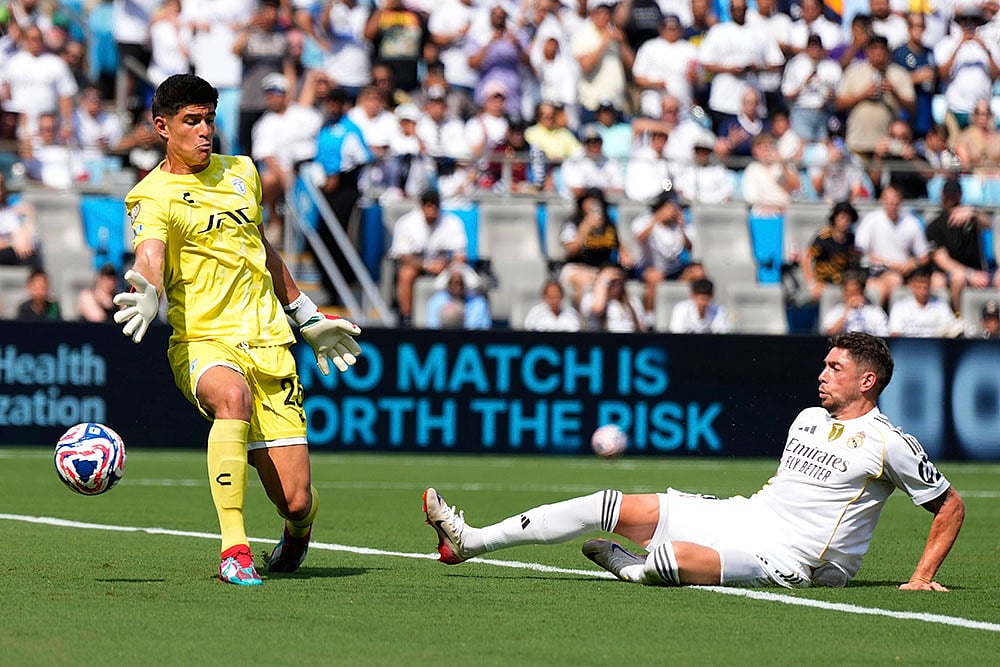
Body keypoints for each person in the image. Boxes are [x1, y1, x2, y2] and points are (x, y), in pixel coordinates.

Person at [423, 332, 966, 591]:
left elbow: (950, 507)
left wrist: (922, 576)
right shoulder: (807, 417)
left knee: (670, 560)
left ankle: (633, 569)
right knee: (609, 504)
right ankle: (470, 541)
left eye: (835, 367)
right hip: (747, 516)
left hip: (798, 561)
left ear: (867, 380)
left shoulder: (889, 441)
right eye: (824, 364)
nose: (821, 374)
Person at [111, 74, 363, 587]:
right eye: (191, 121)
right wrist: (149, 291)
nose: (205, 131)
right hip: (203, 341)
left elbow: (262, 250)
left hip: (269, 342)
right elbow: (151, 253)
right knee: (232, 398)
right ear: (162, 126)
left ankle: (298, 530)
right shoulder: (151, 195)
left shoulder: (243, 172)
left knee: (295, 499)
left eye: (209, 119)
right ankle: (235, 550)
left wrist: (308, 316)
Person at [387, 188, 469, 326]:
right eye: (428, 206)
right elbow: (403, 255)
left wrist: (447, 265)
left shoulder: (452, 222)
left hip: (445, 266)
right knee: (406, 273)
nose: (432, 210)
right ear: (422, 206)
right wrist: (427, 265)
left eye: (435, 206)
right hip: (417, 265)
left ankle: (460, 319)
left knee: (458, 273)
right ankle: (406, 318)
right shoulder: (407, 222)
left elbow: (460, 255)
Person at [925, 178, 1000, 313]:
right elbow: (942, 259)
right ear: (942, 195)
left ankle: (994, 321)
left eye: (955, 194)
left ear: (960, 195)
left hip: (979, 269)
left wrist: (974, 214)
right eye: (948, 194)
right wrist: (970, 274)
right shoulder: (935, 225)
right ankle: (958, 318)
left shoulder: (971, 217)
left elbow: (989, 224)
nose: (951, 198)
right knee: (958, 277)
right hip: (953, 272)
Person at [630, 188, 702, 312]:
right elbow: (639, 238)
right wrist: (657, 219)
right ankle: (650, 316)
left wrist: (682, 227)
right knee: (656, 277)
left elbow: (689, 247)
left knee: (698, 272)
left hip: (674, 269)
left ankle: (685, 310)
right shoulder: (644, 220)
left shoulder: (684, 226)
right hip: (648, 268)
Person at [801, 201, 862, 302]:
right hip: (823, 283)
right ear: (835, 218)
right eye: (842, 217)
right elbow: (805, 258)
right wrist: (811, 284)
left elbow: (855, 262)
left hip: (844, 284)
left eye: (848, 218)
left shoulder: (852, 240)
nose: (845, 221)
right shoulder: (824, 237)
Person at [887, 267, 962, 338]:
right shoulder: (900, 307)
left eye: (925, 287)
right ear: (911, 285)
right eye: (919, 287)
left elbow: (951, 329)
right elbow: (895, 333)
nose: (923, 292)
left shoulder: (941, 305)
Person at [579, 263, 648, 332]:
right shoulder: (590, 299)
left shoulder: (633, 302)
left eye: (618, 282)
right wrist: (604, 281)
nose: (614, 285)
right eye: (610, 281)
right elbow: (598, 309)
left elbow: (642, 328)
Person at [820, 270, 889, 335]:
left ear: (862, 292)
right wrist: (847, 310)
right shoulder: (836, 311)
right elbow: (829, 335)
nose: (852, 297)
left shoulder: (874, 312)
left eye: (855, 292)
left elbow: (883, 335)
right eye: (848, 293)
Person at [425, 266, 491, 330]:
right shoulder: (435, 301)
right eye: (452, 283)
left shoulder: (478, 302)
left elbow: (482, 328)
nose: (457, 287)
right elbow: (433, 327)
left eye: (460, 283)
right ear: (448, 283)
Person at [0, 172, 40, 269]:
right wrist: (13, 242)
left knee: (28, 253)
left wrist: (30, 216)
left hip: (9, 252)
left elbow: (21, 238)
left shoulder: (8, 211)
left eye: (1, 186)